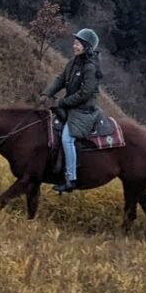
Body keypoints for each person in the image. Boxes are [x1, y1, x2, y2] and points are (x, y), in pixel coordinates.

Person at [39, 28, 104, 194]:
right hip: (72, 107)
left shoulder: (90, 67)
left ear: (86, 47)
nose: (74, 45)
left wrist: (62, 102)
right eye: (75, 42)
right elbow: (61, 79)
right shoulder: (74, 61)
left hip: (84, 110)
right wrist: (47, 93)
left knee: (67, 138)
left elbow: (85, 93)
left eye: (78, 43)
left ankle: (71, 178)